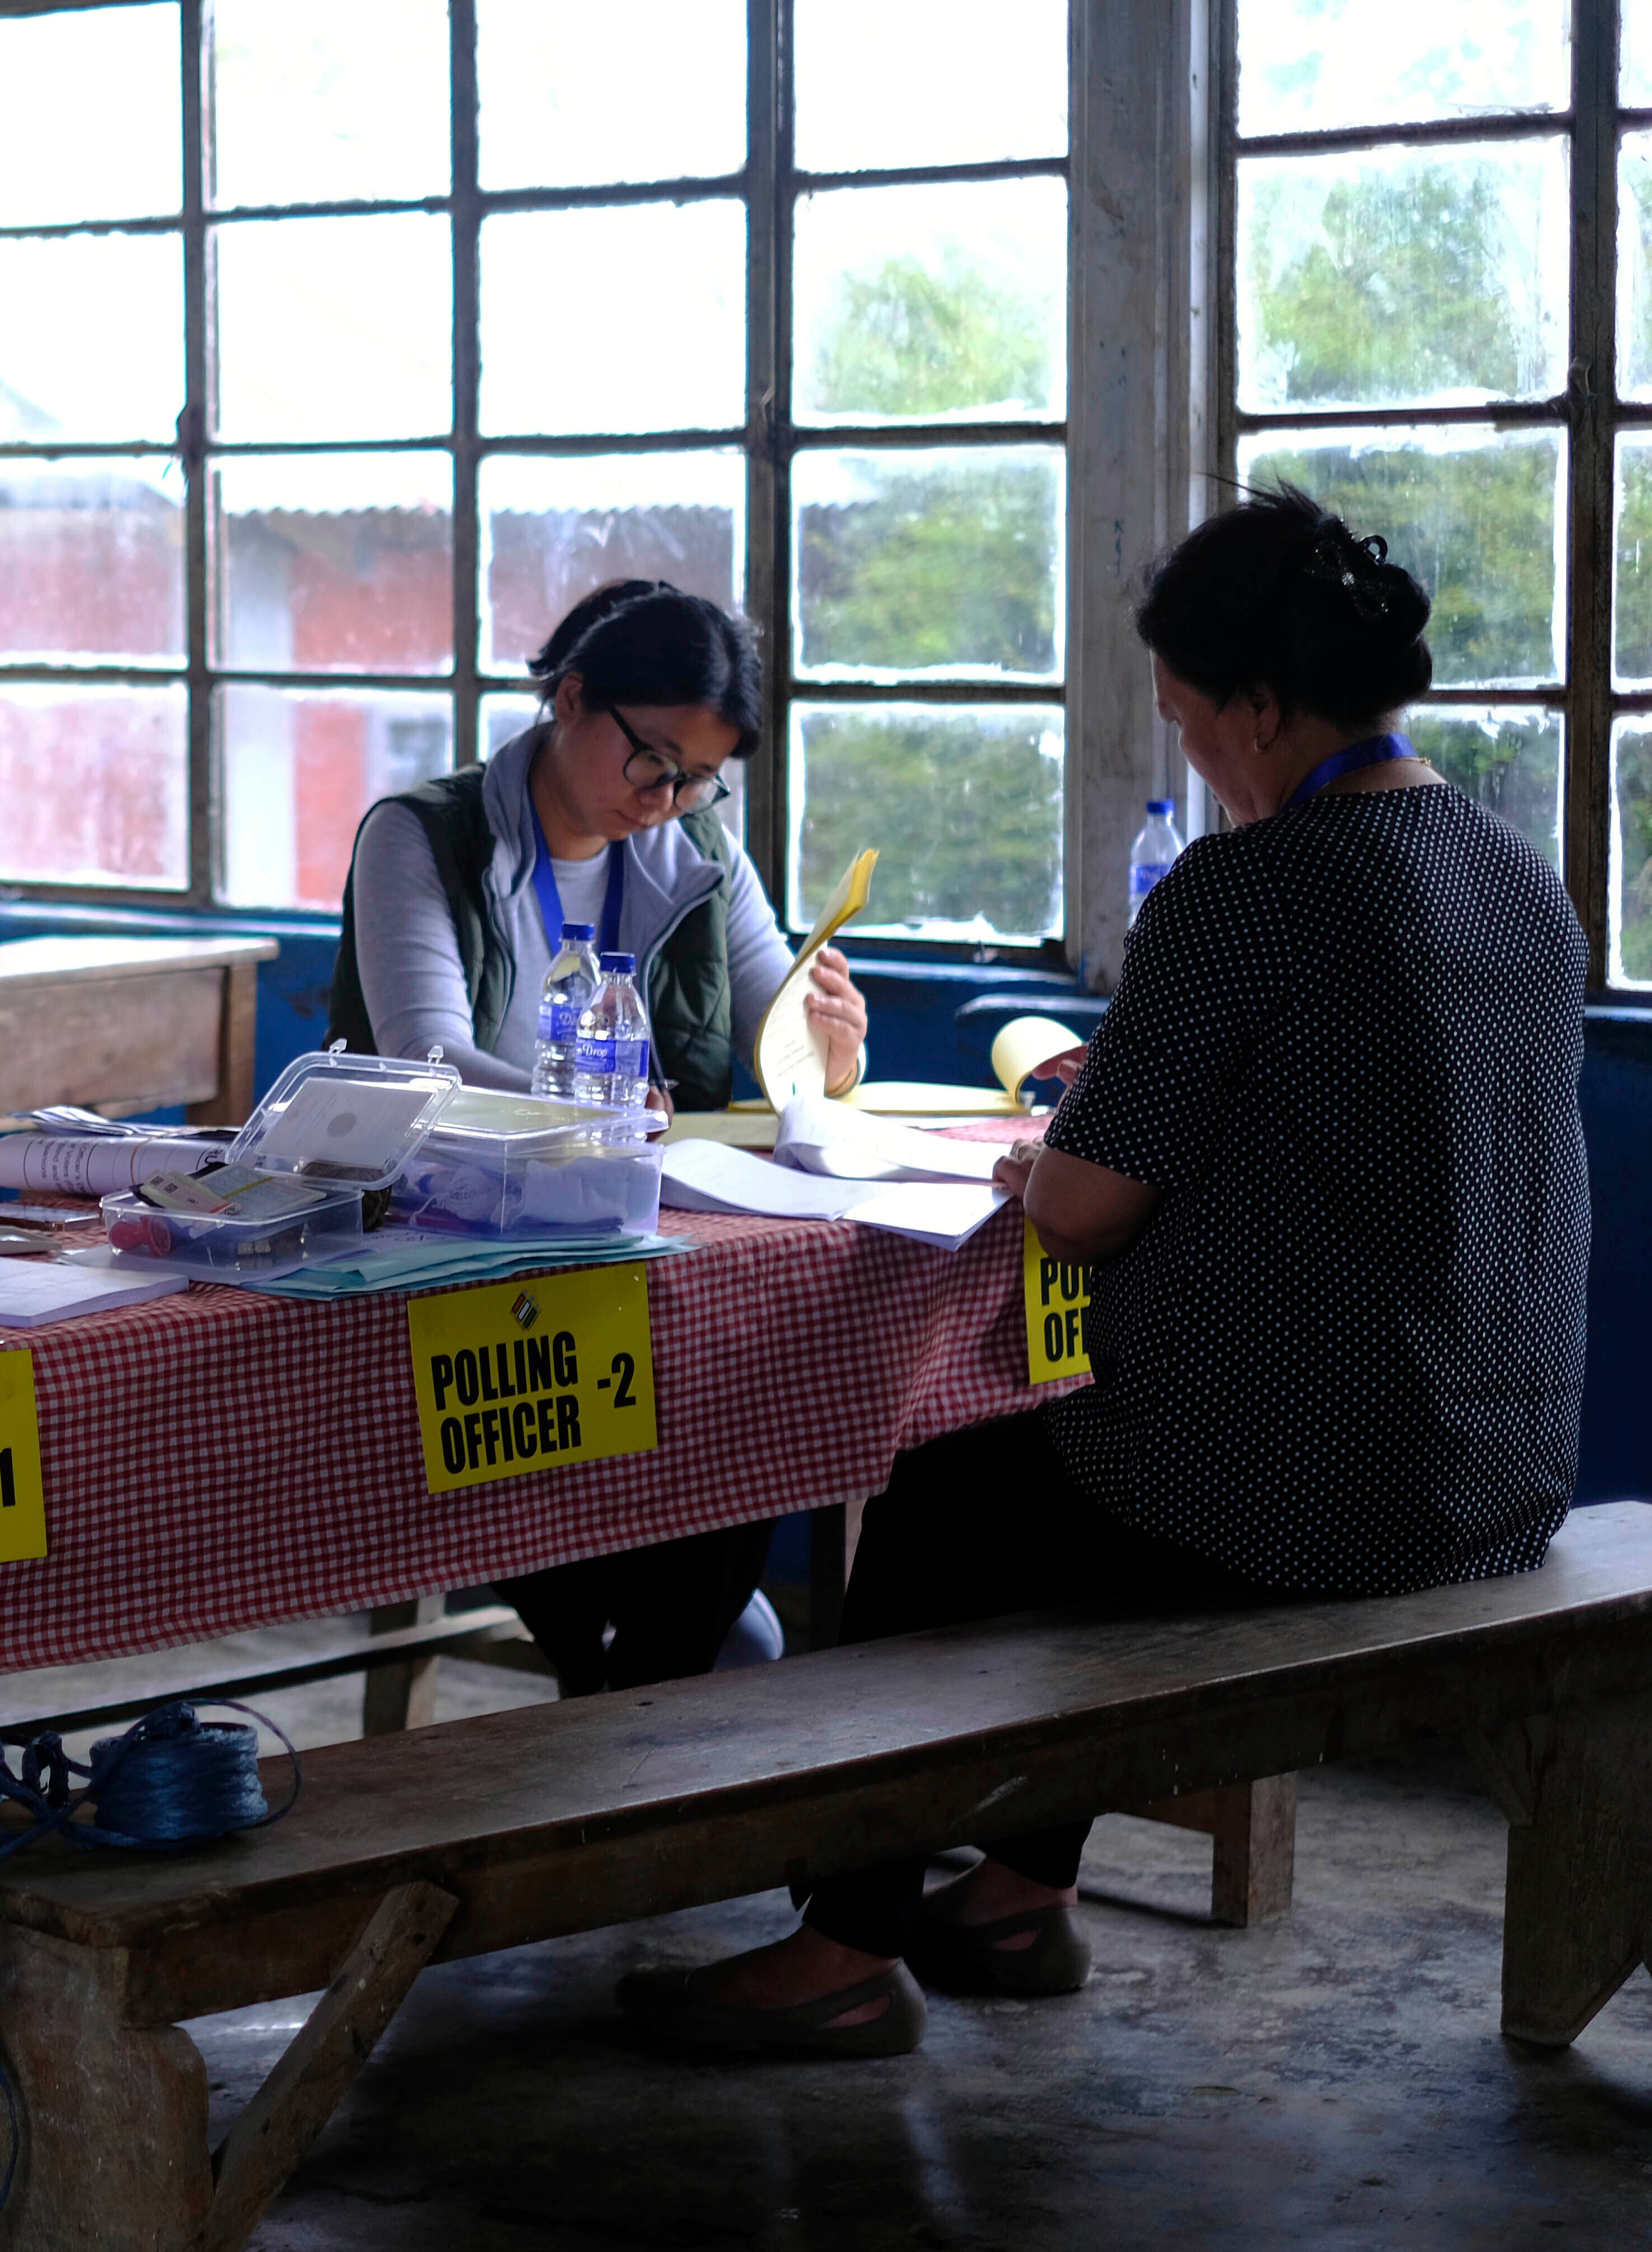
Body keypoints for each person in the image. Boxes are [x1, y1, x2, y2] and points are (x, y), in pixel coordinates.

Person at [617, 486, 1589, 2058]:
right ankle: (1017, 1890)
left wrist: (1045, 1165)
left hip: (1330, 1494)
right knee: (1066, 1471)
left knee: (949, 1485)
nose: (1193, 756)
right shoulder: (1514, 874)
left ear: (1259, 709)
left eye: (1188, 720)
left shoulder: (1252, 886)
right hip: (1503, 1473)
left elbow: (1077, 1215)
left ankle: (842, 1950)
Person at [328, 579, 869, 1693]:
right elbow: (426, 1059)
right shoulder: (422, 836)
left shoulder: (697, 851)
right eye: (652, 761)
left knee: (759, 1391)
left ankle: (639, 1679)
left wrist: (830, 1046)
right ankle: (636, 1674)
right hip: (455, 1246)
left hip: (637, 1253)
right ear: (572, 699)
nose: (666, 800)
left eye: (699, 777)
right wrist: (593, 1112)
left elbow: (776, 1040)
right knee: (574, 1430)